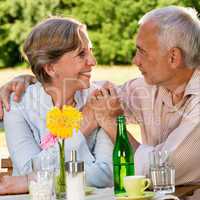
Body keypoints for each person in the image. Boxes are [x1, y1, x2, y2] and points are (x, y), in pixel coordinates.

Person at [92, 5, 200, 187]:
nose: (135, 60)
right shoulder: (153, 86)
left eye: (142, 51)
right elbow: (98, 95)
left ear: (173, 57)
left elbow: (159, 170)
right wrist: (35, 82)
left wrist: (113, 125)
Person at [1, 16, 113, 188]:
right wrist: (82, 127)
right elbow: (27, 169)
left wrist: (33, 181)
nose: (93, 61)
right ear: (51, 68)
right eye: (81, 54)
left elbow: (106, 174)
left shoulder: (99, 99)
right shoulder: (18, 104)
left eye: (91, 51)